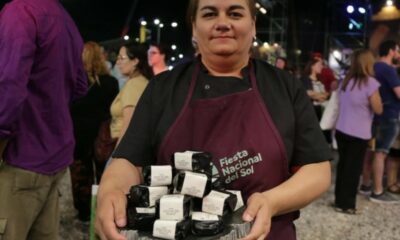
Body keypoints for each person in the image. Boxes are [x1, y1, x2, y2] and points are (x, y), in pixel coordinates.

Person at [95, 0, 331, 239]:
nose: (222, 23)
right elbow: (127, 160)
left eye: (235, 13)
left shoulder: (284, 87)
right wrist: (111, 189)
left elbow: (318, 169)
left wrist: (271, 201)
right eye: (209, 14)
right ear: (195, 28)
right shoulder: (163, 88)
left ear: (253, 24)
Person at [0, 0, 87, 239]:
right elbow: (80, 86)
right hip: (54, 158)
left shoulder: (19, 11)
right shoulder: (64, 18)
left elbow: (10, 86)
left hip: (18, 158)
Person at [70, 41, 119, 222]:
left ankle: (84, 212)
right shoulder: (111, 82)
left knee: (80, 174)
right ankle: (104, 209)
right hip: (101, 134)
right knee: (104, 174)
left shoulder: (74, 82)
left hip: (77, 133)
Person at [333, 49, 382, 214]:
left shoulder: (346, 81)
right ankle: (347, 205)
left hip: (341, 129)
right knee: (353, 170)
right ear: (368, 63)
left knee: (343, 166)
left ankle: (339, 200)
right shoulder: (370, 83)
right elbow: (378, 108)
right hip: (359, 133)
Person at [369, 40, 400, 203]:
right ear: (390, 51)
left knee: (373, 152)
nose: (398, 54)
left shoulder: (374, 67)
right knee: (381, 153)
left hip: (375, 115)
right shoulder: (388, 70)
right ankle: (378, 191)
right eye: (397, 51)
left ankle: (367, 185)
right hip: (389, 115)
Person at [109, 43, 153, 143]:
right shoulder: (140, 81)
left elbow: (128, 125)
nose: (117, 62)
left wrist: (118, 154)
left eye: (122, 58)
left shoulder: (134, 85)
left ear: (135, 61)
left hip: (123, 146)